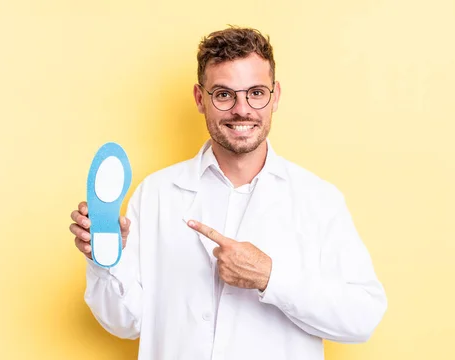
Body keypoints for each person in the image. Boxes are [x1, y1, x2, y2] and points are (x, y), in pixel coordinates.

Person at [69, 26, 387, 360]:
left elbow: (363, 317)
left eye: (256, 93)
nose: (242, 109)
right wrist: (105, 262)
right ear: (199, 99)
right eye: (223, 94)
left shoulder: (318, 200)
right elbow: (125, 324)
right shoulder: (156, 194)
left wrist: (270, 277)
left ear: (275, 96)